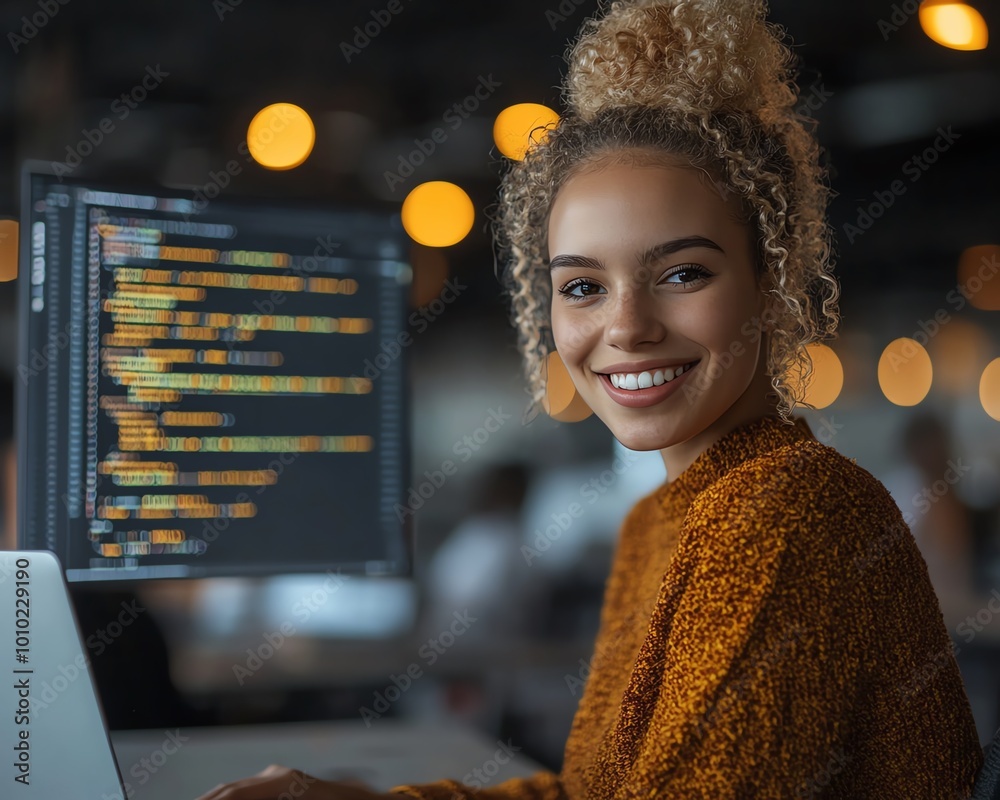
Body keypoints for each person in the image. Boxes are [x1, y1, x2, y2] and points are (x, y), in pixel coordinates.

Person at [196, 0, 984, 797]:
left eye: (682, 273)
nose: (628, 327)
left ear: (771, 291)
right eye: (582, 286)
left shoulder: (787, 511)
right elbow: (595, 791)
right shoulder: (660, 523)